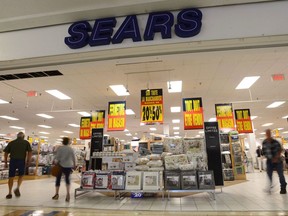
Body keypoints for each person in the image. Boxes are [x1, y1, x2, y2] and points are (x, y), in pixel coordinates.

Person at [4, 132, 32, 199]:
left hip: (12, 161)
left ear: (17, 136)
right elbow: (30, 152)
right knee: (21, 175)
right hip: (21, 161)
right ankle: (17, 187)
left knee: (11, 177)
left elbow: (6, 153)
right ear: (23, 136)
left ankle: (9, 193)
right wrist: (28, 160)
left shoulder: (11, 142)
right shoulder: (26, 142)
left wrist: (5, 162)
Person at [262, 129, 287, 194]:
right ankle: (270, 186)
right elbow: (264, 151)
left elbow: (280, 149)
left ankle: (283, 187)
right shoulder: (264, 142)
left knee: (280, 175)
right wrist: (265, 156)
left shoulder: (275, 142)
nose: (268, 134)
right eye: (267, 133)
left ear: (271, 134)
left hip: (278, 161)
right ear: (266, 134)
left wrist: (276, 157)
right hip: (269, 161)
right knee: (269, 174)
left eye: (269, 133)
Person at [52, 137, 76, 202]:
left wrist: (54, 161)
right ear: (68, 142)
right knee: (67, 180)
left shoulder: (60, 148)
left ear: (63, 142)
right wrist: (74, 164)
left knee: (58, 179)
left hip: (60, 166)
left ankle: (56, 194)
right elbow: (73, 157)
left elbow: (57, 156)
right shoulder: (70, 149)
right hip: (68, 166)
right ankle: (68, 194)